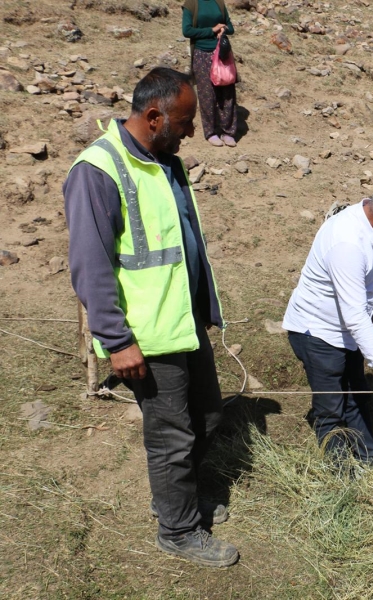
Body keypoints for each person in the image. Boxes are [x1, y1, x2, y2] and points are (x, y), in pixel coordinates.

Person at [63, 67, 238, 568]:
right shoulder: (98, 171)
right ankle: (178, 531)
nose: (189, 132)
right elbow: (91, 265)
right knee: (170, 435)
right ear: (154, 115)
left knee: (206, 415)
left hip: (182, 322)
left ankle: (177, 499)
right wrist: (117, 341)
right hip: (146, 335)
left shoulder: (165, 161)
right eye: (184, 122)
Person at [282, 179, 373, 464]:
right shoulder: (347, 242)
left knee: (356, 395)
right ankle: (340, 472)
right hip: (318, 333)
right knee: (331, 409)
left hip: (345, 330)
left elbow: (359, 298)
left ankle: (370, 458)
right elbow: (354, 316)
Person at [182, 0, 237, 147]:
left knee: (227, 91)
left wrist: (223, 30)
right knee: (207, 93)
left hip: (222, 53)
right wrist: (211, 30)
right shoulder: (191, 4)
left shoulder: (219, 2)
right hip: (201, 54)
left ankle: (228, 132)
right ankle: (211, 132)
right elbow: (186, 31)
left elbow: (230, 27)